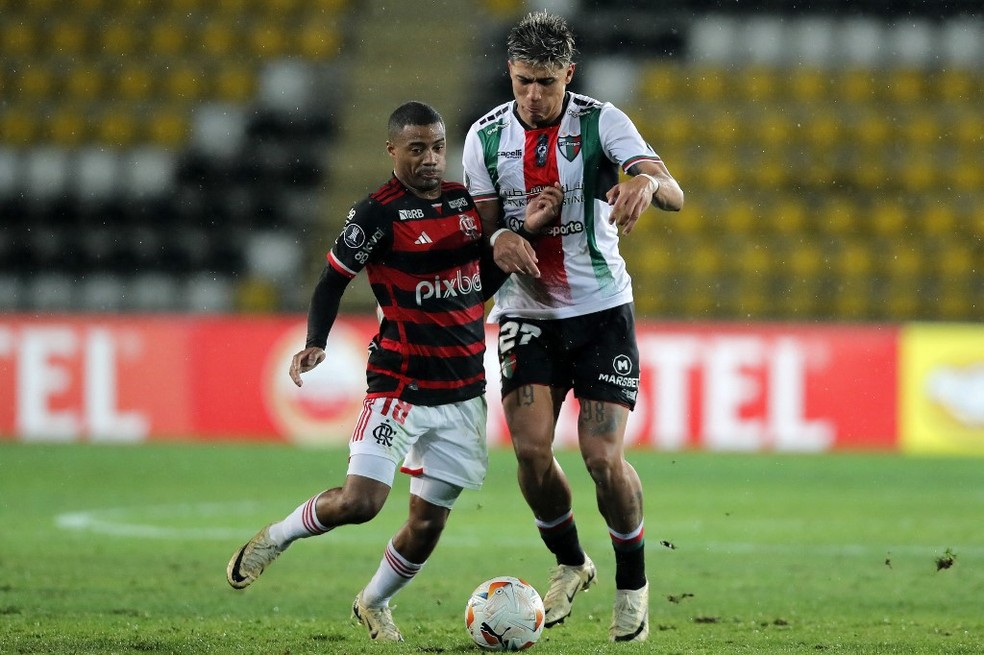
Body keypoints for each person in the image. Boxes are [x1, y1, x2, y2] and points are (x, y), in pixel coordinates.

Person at [225, 100, 560, 642]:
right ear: (392, 150)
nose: (430, 159)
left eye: (437, 147)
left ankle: (373, 603)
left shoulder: (462, 203)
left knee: (427, 524)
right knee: (361, 502)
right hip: (399, 385)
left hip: (462, 392)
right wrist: (315, 342)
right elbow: (332, 280)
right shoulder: (375, 215)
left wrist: (528, 231)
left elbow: (474, 285)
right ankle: (278, 536)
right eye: (416, 149)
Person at [462, 11, 685, 643]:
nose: (534, 96)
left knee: (602, 459)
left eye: (547, 83)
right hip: (526, 313)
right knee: (531, 454)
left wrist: (646, 182)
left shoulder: (601, 121)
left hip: (600, 312)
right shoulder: (483, 137)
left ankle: (632, 584)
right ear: (510, 73)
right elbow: (480, 232)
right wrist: (501, 238)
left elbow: (674, 192)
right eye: (523, 81)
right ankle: (571, 562)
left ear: (570, 74)